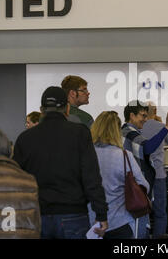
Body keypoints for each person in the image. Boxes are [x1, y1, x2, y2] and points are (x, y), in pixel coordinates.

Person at [13, 86, 108, 239]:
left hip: (36, 215)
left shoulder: (25, 138)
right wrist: (101, 213)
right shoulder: (80, 133)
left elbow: (16, 181)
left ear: (41, 110)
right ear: (67, 109)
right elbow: (91, 177)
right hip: (73, 214)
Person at [90, 111, 149, 239]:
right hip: (120, 222)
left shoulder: (86, 155)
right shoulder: (124, 156)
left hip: (92, 225)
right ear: (117, 131)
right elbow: (144, 185)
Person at [121, 100, 168, 239]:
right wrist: (166, 128)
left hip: (135, 187)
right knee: (140, 228)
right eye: (143, 116)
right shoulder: (128, 132)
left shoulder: (131, 131)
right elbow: (147, 148)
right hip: (134, 188)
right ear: (132, 115)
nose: (145, 119)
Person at [141, 102, 168, 238]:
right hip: (158, 175)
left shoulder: (138, 127)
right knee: (160, 213)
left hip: (142, 176)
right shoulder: (161, 126)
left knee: (141, 211)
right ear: (155, 111)